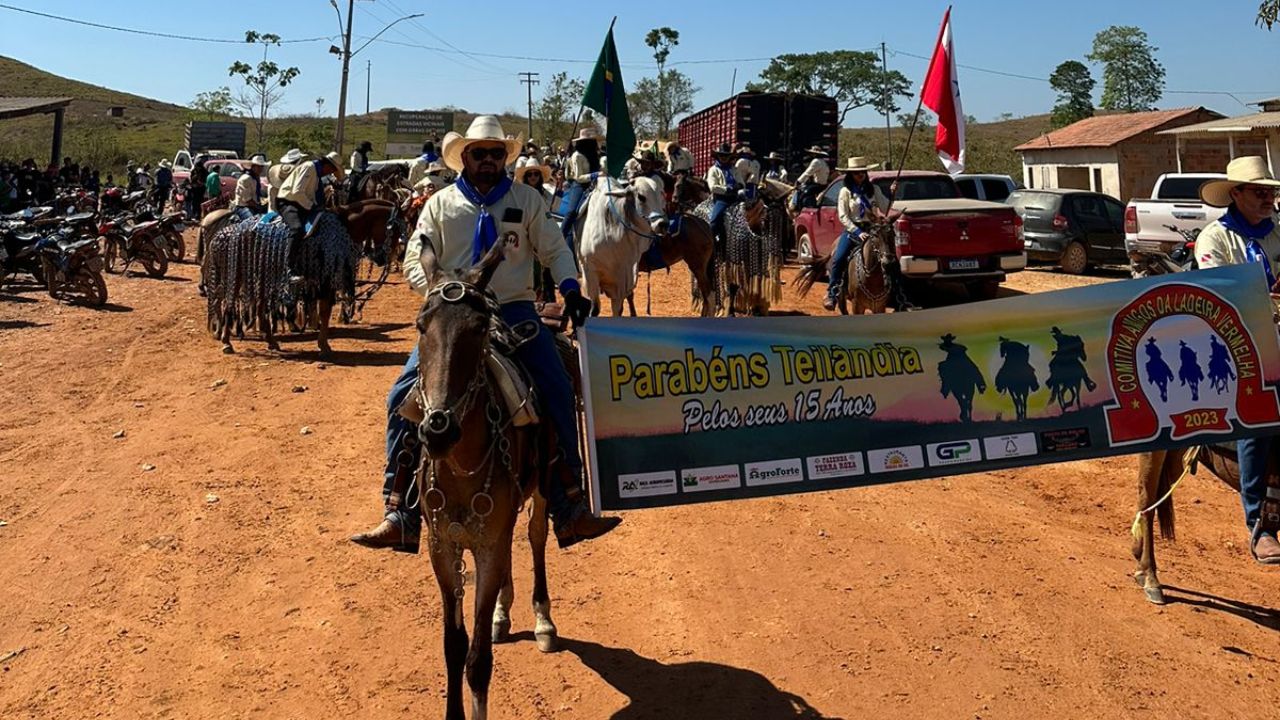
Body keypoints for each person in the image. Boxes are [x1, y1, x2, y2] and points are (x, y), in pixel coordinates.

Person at [348, 115, 619, 552]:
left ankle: (570, 504)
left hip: (513, 309)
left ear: (504, 158)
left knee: (555, 385)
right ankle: (400, 510)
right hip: (453, 310)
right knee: (401, 398)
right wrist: (441, 288)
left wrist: (570, 288)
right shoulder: (439, 204)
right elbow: (415, 260)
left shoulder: (527, 199)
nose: (489, 160)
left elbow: (554, 249)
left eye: (496, 153)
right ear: (465, 158)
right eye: (481, 154)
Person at [1194, 155, 1280, 564]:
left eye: (1272, 192)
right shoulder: (1215, 239)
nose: (1269, 198)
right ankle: (1258, 523)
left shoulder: (1278, 233)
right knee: (1259, 417)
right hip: (1239, 345)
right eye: (1260, 192)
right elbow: (1219, 298)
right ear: (1237, 194)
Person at [825, 157, 890, 311]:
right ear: (850, 175)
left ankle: (900, 294)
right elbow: (843, 216)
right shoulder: (845, 192)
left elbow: (885, 207)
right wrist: (858, 231)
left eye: (862, 172)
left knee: (889, 256)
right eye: (856, 173)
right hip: (853, 231)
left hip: (873, 229)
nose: (860, 175)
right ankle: (832, 292)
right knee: (839, 258)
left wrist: (892, 193)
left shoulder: (874, 189)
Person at [275, 151, 345, 281]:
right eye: (331, 171)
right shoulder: (309, 167)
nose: (329, 173)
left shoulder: (317, 174)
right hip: (289, 202)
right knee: (297, 229)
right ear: (328, 166)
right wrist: (312, 207)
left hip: (303, 204)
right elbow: (297, 192)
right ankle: (288, 268)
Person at [560, 127, 602, 243]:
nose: (594, 143)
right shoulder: (577, 156)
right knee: (572, 211)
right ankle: (560, 238)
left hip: (594, 184)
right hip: (579, 185)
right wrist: (596, 174)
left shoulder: (593, 155)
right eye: (592, 141)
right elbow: (579, 177)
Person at [706, 143, 741, 247]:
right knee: (714, 220)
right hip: (722, 199)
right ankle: (710, 243)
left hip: (736, 197)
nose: (724, 158)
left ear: (729, 156)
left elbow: (741, 182)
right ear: (718, 156)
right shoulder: (713, 170)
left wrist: (739, 185)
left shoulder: (734, 169)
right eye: (721, 155)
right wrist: (727, 189)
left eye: (726, 156)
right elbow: (712, 187)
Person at [792, 145, 832, 211]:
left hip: (817, 185)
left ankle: (797, 209)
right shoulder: (824, 162)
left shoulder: (816, 161)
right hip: (823, 185)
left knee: (801, 192)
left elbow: (807, 173)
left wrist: (798, 181)